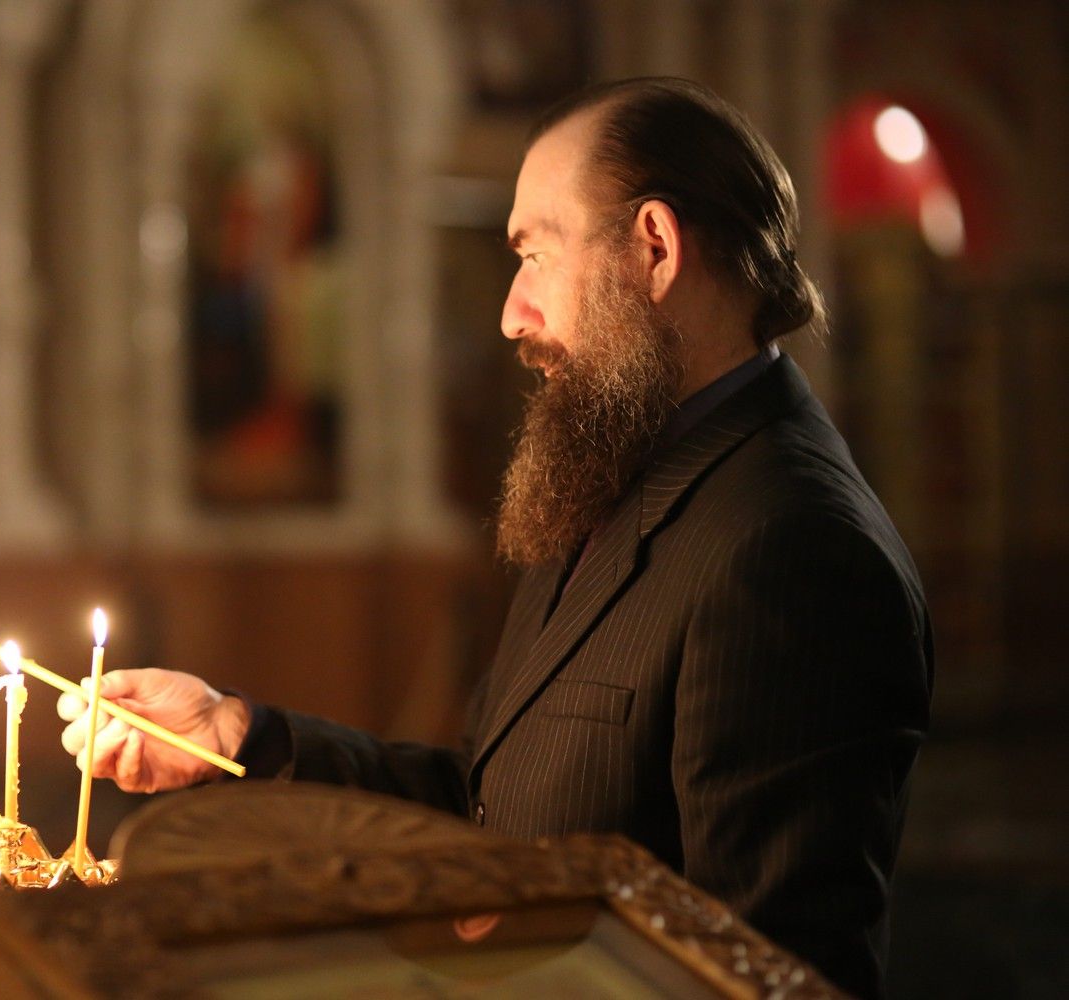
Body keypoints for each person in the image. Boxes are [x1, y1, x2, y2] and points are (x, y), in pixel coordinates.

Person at [58, 77, 933, 999]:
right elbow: (486, 816)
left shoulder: (793, 548)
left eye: (535, 255)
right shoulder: (619, 467)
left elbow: (755, 972)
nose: (512, 312)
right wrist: (241, 737)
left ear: (655, 249)